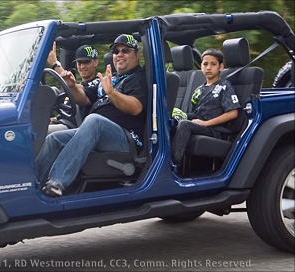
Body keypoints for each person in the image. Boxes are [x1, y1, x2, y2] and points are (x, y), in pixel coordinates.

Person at [36, 34, 148, 196]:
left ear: (137, 55)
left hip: (127, 139)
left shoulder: (138, 78)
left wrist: (112, 93)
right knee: (54, 139)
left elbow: (136, 108)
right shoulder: (112, 78)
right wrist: (72, 86)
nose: (120, 54)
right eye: (116, 51)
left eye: (126, 50)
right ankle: (33, 186)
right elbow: (85, 98)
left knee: (94, 120)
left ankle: (57, 181)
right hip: (99, 134)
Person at [171, 48, 241, 168]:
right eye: (205, 64)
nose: (208, 67)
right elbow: (195, 113)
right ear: (201, 67)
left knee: (184, 124)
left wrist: (206, 123)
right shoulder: (199, 89)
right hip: (200, 125)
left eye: (213, 64)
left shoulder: (224, 86)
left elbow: (233, 113)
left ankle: (173, 163)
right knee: (173, 117)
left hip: (214, 129)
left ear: (221, 67)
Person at [47, 42, 100, 131]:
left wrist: (55, 65)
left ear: (95, 62)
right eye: (79, 63)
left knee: (36, 134)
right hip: (62, 122)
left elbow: (81, 91)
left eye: (86, 62)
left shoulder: (99, 83)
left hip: (76, 129)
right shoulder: (77, 85)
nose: (82, 66)